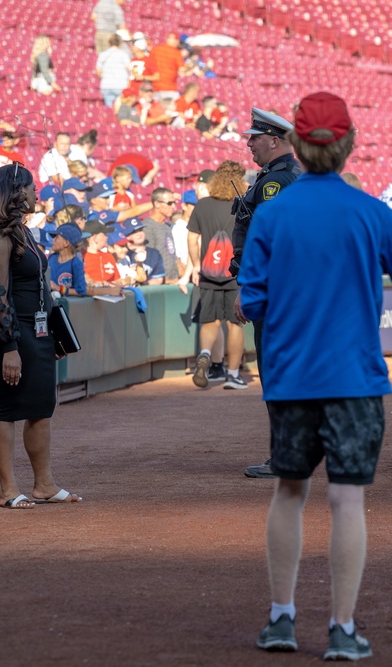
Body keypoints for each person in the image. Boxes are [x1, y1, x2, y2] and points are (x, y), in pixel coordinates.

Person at [239, 91, 392, 661]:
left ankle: (280, 619)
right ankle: (342, 629)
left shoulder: (272, 211)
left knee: (289, 490)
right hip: (356, 380)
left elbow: (252, 300)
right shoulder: (373, 212)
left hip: (292, 379)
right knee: (347, 501)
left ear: (295, 143)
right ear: (347, 146)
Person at [0, 163, 82, 509]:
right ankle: (7, 490)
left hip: (38, 333)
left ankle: (44, 484)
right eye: (32, 188)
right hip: (13, 335)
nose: (37, 194)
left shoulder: (22, 231)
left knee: (40, 408)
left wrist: (51, 334)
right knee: (6, 410)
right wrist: (9, 348)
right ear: (16, 192)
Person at [231, 108, 304, 478]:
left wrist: (247, 286)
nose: (249, 143)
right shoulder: (287, 177)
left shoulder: (277, 182)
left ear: (274, 140)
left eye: (254, 138)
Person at [187, 161, 249, 391]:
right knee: (235, 325)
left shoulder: (202, 205)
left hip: (208, 273)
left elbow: (192, 238)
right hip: (236, 274)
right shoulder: (243, 204)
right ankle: (233, 375)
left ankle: (205, 355)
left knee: (210, 321)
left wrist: (195, 264)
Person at [141, 187, 179, 281]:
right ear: (157, 204)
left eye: (174, 203)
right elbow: (148, 260)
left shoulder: (167, 226)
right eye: (169, 203)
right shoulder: (148, 227)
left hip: (174, 281)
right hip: (159, 284)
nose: (173, 206)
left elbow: (170, 254)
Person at [149, 32, 188, 103]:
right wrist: (189, 66)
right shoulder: (176, 52)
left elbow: (148, 64)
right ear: (177, 41)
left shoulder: (155, 49)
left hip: (154, 86)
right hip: (169, 88)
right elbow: (182, 70)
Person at [96, 34, 132, 107]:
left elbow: (98, 72)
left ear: (109, 43)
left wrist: (106, 78)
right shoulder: (123, 54)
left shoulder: (103, 54)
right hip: (121, 85)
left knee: (109, 109)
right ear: (120, 43)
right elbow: (129, 69)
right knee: (121, 108)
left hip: (106, 85)